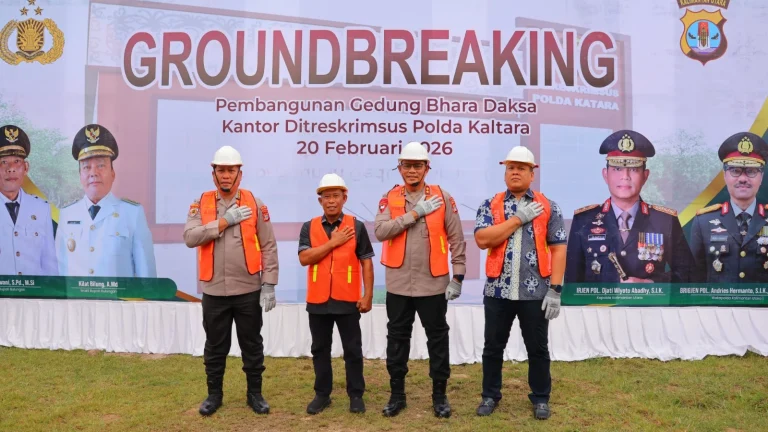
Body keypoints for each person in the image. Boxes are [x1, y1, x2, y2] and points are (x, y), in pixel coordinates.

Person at [183, 145, 279, 416]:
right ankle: (214, 395)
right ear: (213, 173)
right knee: (215, 346)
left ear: (240, 173)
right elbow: (190, 238)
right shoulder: (200, 203)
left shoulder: (255, 203)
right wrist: (223, 222)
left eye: (231, 170)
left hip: (248, 289)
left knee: (252, 344)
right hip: (214, 290)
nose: (226, 175)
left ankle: (255, 394)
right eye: (221, 170)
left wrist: (269, 283)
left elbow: (268, 245)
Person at [473, 146, 567, 420]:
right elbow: (482, 240)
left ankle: (541, 398)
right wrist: (517, 219)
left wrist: (555, 290)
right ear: (505, 172)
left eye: (521, 168)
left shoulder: (548, 206)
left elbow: (559, 249)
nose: (515, 172)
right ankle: (490, 395)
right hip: (497, 290)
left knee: (538, 349)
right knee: (493, 347)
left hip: (535, 292)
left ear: (532, 174)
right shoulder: (490, 205)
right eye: (511, 168)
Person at [374, 141, 466, 419]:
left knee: (437, 338)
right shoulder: (389, 197)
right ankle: (397, 396)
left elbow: (456, 238)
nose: (412, 170)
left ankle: (439, 396)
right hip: (399, 283)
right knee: (397, 338)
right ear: (399, 167)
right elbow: (381, 231)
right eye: (407, 165)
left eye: (417, 165)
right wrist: (414, 214)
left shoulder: (443, 198)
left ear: (427, 168)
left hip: (433, 283)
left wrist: (458, 275)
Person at [565, 130, 694, 283]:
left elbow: (689, 275)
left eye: (633, 169)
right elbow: (572, 283)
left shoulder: (665, 221)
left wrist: (649, 284)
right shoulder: (583, 220)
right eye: (617, 169)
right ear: (605, 174)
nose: (625, 176)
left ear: (645, 176)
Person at [298, 173, 374, 415]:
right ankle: (322, 395)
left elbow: (366, 261)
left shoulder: (357, 226)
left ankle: (356, 395)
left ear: (344, 198)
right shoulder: (309, 227)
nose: (331, 201)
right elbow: (304, 258)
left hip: (347, 299)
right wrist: (332, 242)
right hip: (318, 300)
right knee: (320, 349)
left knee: (352, 349)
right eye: (326, 196)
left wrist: (368, 295)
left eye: (336, 196)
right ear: (320, 200)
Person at [56, 124, 156, 278]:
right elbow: (59, 273)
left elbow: (147, 277)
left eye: (101, 165)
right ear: (80, 175)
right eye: (86, 167)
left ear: (113, 173)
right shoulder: (67, 214)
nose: (93, 173)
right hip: (76, 295)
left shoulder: (132, 213)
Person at [690, 132, 768, 282]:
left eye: (751, 171)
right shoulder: (704, 222)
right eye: (735, 171)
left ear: (761, 177)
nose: (743, 178)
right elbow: (694, 278)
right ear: (725, 175)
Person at [0, 124, 57, 276]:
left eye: (17, 161)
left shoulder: (41, 208)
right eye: (4, 162)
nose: (11, 168)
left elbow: (49, 263)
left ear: (26, 168)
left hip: (34, 291)